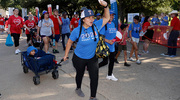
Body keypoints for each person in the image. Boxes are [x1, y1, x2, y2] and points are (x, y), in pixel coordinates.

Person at [63, 0, 110, 99]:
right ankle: (78, 88)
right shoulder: (77, 31)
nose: (91, 19)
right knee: (80, 74)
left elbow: (107, 17)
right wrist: (66, 55)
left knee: (94, 77)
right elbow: (69, 42)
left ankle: (93, 97)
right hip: (79, 58)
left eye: (92, 17)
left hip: (92, 58)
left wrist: (105, 6)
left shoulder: (96, 25)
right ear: (83, 19)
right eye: (89, 17)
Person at [98, 10, 118, 81]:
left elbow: (115, 35)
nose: (112, 16)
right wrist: (108, 41)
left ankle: (109, 75)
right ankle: (93, 68)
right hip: (105, 47)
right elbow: (100, 36)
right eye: (110, 15)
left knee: (112, 61)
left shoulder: (113, 24)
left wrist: (114, 40)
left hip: (112, 47)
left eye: (113, 15)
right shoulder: (104, 25)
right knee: (105, 62)